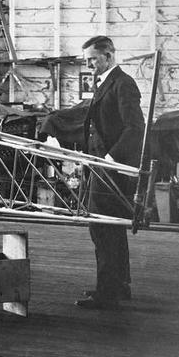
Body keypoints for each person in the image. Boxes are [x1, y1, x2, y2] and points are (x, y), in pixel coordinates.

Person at [75, 35, 145, 310]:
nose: (89, 65)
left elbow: (135, 128)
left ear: (108, 56)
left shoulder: (123, 84)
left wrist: (111, 158)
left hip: (112, 168)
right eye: (87, 60)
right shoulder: (104, 82)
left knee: (102, 227)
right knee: (111, 227)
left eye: (92, 59)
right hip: (101, 165)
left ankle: (107, 293)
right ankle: (119, 285)